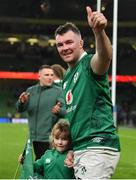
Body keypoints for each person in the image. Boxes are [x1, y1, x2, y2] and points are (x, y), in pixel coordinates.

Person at [55, 6, 120, 179]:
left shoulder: (89, 64)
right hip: (83, 147)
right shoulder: (67, 78)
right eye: (60, 45)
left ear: (81, 43)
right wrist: (72, 148)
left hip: (98, 145)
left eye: (69, 42)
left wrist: (99, 32)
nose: (64, 48)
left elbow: (105, 56)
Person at [16, 65, 66, 160]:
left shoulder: (58, 91)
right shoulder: (31, 91)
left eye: (52, 75)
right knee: (28, 166)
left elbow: (67, 112)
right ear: (39, 77)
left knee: (43, 168)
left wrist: (59, 111)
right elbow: (20, 109)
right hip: (32, 138)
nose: (50, 77)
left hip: (47, 139)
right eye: (47, 75)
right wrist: (21, 102)